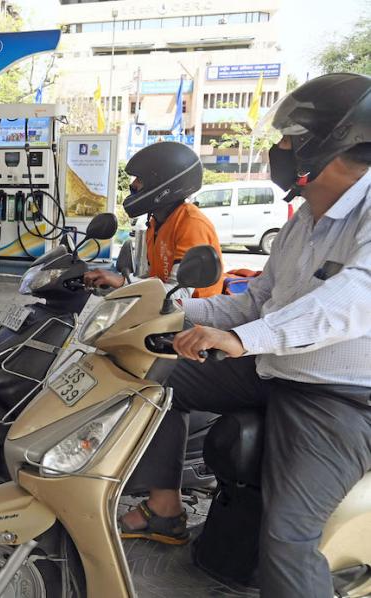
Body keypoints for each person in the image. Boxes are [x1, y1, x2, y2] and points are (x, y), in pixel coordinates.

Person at [119, 73, 371, 598]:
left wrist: (243, 340)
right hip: (272, 367)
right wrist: (172, 312)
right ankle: (165, 509)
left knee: (286, 540)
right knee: (152, 375)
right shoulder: (306, 219)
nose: (281, 150)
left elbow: (353, 300)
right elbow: (259, 299)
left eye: (291, 139)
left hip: (336, 397)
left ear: (335, 141)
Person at [83, 142, 224, 297]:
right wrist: (112, 284)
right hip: (165, 311)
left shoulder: (191, 224)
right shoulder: (155, 223)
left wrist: (123, 282)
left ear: (164, 185)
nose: (133, 184)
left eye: (140, 179)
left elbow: (181, 293)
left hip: (191, 317)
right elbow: (155, 281)